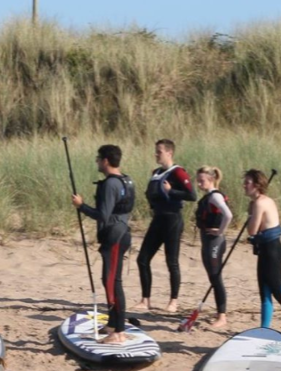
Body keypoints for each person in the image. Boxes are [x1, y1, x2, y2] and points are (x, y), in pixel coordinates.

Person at [71, 144, 135, 344]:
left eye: (99, 158)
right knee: (108, 279)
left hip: (115, 237)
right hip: (121, 233)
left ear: (106, 160)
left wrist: (81, 206)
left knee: (112, 282)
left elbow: (103, 216)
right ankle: (113, 324)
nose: (97, 161)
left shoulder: (110, 184)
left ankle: (119, 332)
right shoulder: (127, 180)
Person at [134, 139, 195, 314]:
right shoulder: (156, 173)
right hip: (158, 219)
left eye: (159, 151)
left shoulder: (178, 172)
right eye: (156, 151)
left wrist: (171, 192)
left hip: (173, 220)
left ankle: (173, 301)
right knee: (142, 259)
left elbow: (192, 195)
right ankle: (145, 300)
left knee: (171, 261)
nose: (156, 154)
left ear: (169, 153)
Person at [243, 169, 281, 332]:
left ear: (256, 185)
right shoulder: (259, 202)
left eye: (247, 183)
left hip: (272, 251)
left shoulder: (260, 203)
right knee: (264, 292)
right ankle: (264, 329)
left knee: (277, 291)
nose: (244, 186)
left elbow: (252, 231)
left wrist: (251, 213)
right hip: (265, 250)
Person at [194, 165, 233, 330]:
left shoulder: (214, 197)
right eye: (198, 180)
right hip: (208, 241)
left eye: (202, 181)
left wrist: (220, 232)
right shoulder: (209, 197)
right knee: (213, 276)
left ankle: (222, 316)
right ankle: (220, 313)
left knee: (216, 277)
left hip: (214, 242)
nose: (199, 184)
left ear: (211, 180)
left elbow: (228, 215)